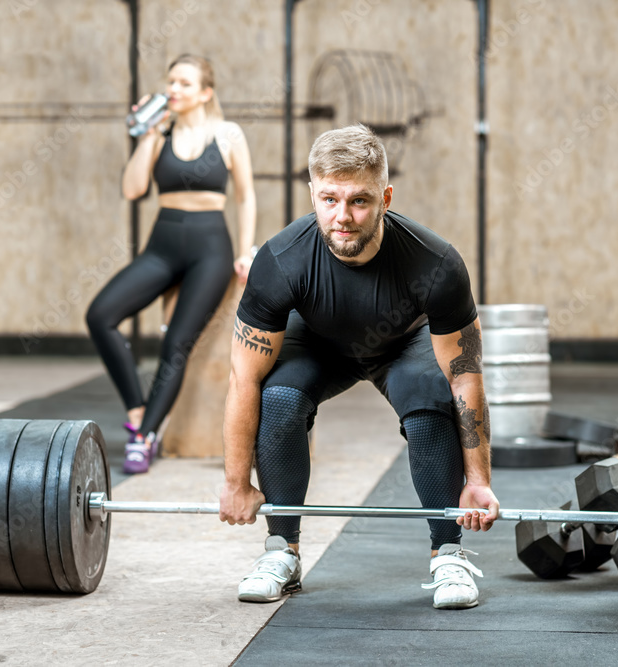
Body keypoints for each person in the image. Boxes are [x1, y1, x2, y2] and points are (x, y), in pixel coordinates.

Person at [218, 124, 500, 609]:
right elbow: (244, 377)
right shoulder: (281, 260)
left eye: (359, 201)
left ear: (386, 197)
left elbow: (465, 377)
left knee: (431, 396)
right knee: (278, 398)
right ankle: (281, 550)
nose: (342, 217)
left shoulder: (435, 263)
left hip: (401, 342)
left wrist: (478, 481)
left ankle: (448, 551)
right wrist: (236, 483)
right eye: (328, 199)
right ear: (312, 193)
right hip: (318, 342)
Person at [87, 54, 257, 475]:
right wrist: (147, 135)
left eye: (183, 83)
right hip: (161, 246)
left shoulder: (227, 134)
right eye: (170, 82)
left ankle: (142, 437)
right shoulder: (159, 135)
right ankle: (138, 409)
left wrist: (247, 249)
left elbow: (245, 195)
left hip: (210, 250)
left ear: (205, 93)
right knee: (100, 315)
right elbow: (132, 189)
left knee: (175, 344)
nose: (173, 90)